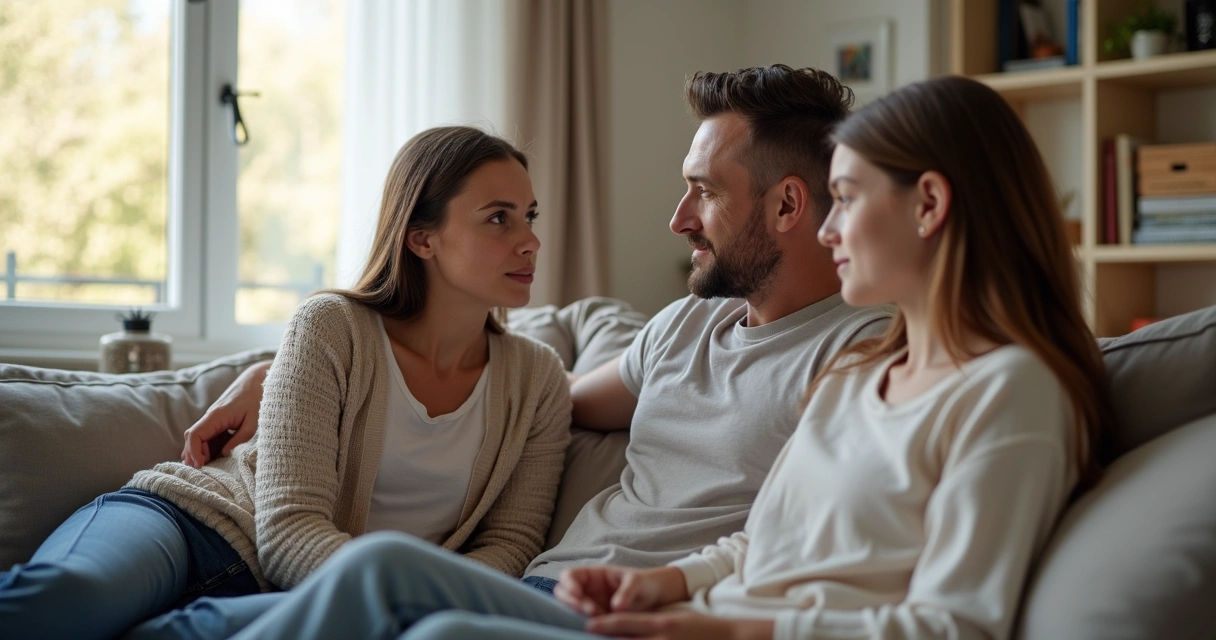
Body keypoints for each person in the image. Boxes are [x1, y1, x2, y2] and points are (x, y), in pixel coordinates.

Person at [213, 73, 1112, 640]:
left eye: (847, 200)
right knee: (207, 621)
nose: (837, 229)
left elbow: (955, 622)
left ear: (926, 209)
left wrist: (716, 625)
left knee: (388, 582)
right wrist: (304, 368)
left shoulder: (985, 387)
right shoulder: (861, 376)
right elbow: (543, 400)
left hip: (704, 629)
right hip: (625, 601)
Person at [152, 64, 893, 640]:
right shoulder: (684, 328)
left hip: (626, 613)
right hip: (534, 589)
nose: (677, 219)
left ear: (788, 205)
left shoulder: (864, 358)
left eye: (702, 191)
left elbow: (807, 543)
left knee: (388, 578)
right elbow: (538, 396)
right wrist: (282, 375)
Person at [0, 126, 573, 640]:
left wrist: (411, 599)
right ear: (421, 238)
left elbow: (511, 544)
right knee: (64, 600)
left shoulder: (539, 378)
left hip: (318, 596)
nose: (530, 240)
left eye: (530, 215)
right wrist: (393, 590)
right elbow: (289, 531)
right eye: (499, 217)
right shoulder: (332, 325)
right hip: (193, 525)